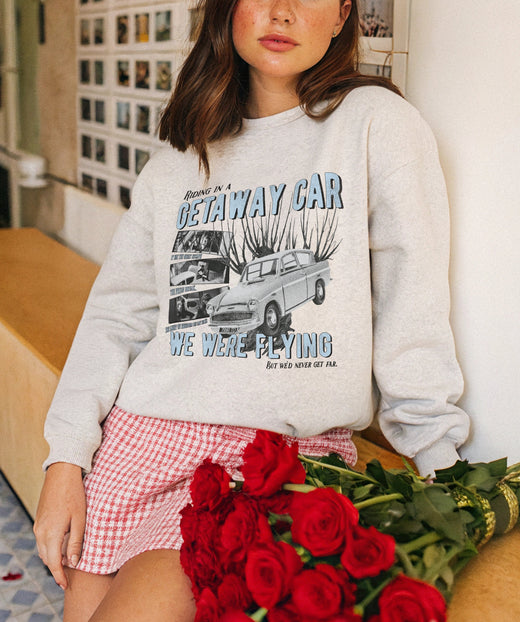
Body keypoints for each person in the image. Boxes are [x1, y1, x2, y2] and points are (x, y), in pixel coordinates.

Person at [34, 1, 470, 621]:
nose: (282, 11)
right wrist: (66, 457)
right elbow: (117, 315)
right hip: (141, 438)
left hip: (270, 459)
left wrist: (443, 471)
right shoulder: (179, 157)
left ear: (343, 12)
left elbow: (412, 314)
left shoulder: (376, 125)